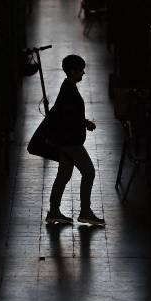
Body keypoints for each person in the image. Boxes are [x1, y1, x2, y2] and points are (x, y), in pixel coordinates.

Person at [45, 55, 105, 226]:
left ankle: (54, 211)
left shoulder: (68, 87)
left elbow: (69, 115)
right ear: (73, 71)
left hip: (64, 140)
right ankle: (85, 212)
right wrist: (85, 123)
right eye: (81, 70)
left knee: (63, 175)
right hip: (70, 141)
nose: (83, 73)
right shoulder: (69, 90)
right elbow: (69, 118)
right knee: (89, 172)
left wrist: (84, 122)